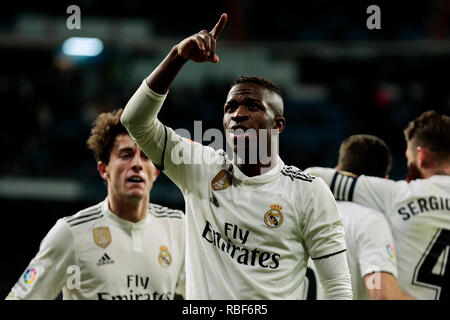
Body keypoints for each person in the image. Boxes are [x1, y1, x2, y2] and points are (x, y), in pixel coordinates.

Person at [120, 13, 352, 299]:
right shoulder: (200, 168)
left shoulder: (308, 192)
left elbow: (338, 288)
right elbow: (135, 122)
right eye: (230, 108)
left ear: (278, 125)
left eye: (252, 106)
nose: (238, 114)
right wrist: (176, 57)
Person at [6, 109, 185, 300]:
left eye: (145, 156)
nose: (137, 164)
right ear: (104, 169)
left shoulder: (178, 227)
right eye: (126, 155)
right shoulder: (71, 233)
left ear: (156, 172)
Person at [306, 110, 450, 300]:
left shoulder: (395, 194)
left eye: (409, 160)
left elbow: (312, 176)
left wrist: (369, 187)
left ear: (421, 156)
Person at [302, 134, 414, 300]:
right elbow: (381, 293)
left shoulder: (300, 212)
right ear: (384, 181)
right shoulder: (371, 221)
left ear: (336, 171)